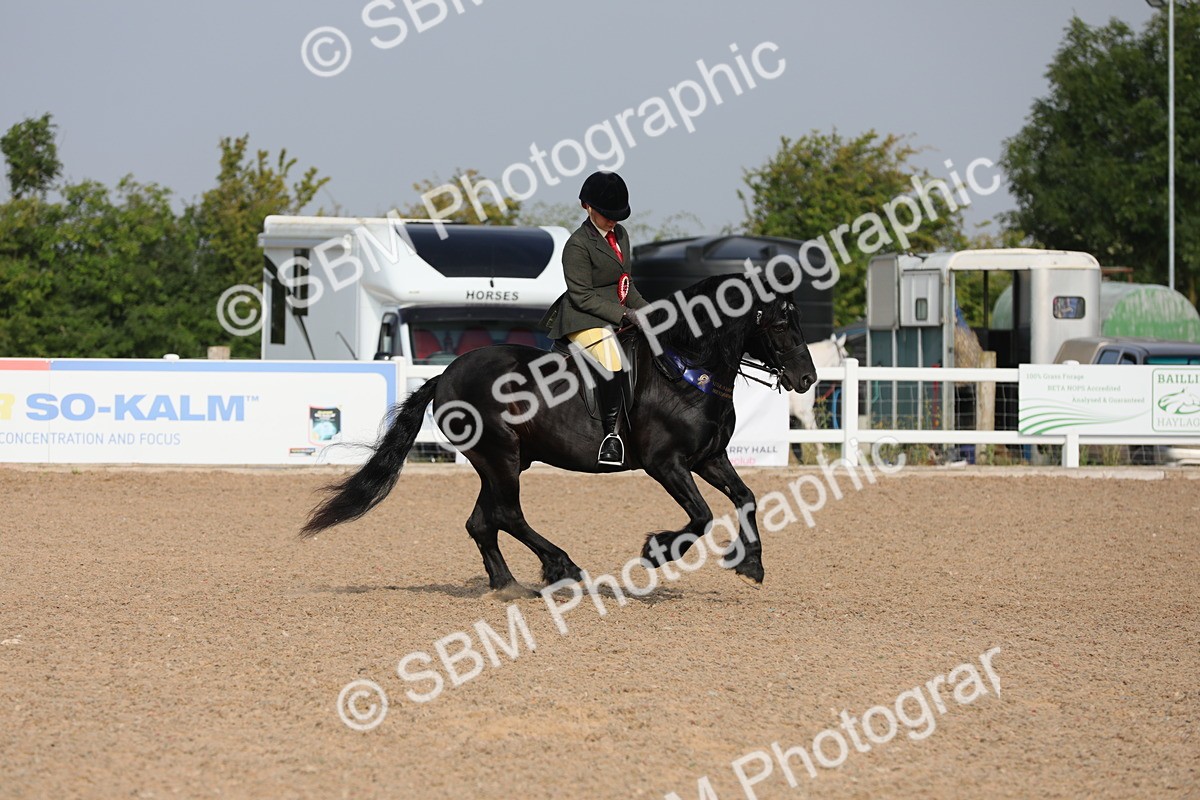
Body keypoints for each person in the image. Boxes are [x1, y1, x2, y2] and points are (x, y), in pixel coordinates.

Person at [540, 171, 649, 466]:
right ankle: (611, 437)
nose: (612, 220)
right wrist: (626, 314)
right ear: (586, 206)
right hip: (582, 318)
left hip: (614, 314)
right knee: (614, 360)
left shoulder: (621, 236)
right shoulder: (577, 245)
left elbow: (626, 284)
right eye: (606, 214)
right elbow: (582, 296)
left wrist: (650, 311)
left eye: (617, 215)